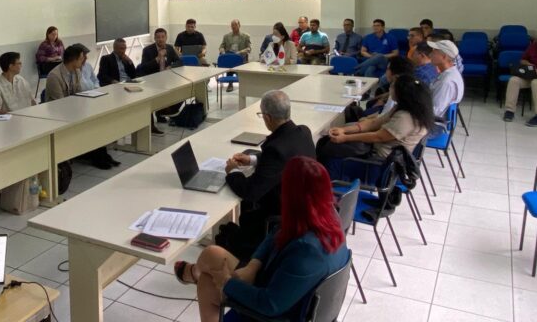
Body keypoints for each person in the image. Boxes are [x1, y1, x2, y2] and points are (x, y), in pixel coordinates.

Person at [174, 157, 349, 322]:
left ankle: (193, 274)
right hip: (283, 285)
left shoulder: (307, 252)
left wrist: (226, 283)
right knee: (211, 254)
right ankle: (193, 274)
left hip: (276, 311)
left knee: (206, 283)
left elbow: (269, 305)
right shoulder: (326, 214)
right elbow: (277, 231)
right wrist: (253, 265)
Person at [221, 90, 317, 258]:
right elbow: (285, 158)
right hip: (305, 205)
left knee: (233, 225)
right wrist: (252, 159)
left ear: (267, 118)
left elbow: (250, 191)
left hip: (281, 215)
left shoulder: (275, 149)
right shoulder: (303, 132)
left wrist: (233, 171)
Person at [316, 75, 433, 167]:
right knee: (326, 141)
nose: (390, 89)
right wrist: (343, 130)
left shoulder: (406, 118)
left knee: (329, 147)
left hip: (380, 161)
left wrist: (345, 137)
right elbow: (374, 123)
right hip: (377, 150)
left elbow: (378, 137)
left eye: (393, 87)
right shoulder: (402, 109)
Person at [428, 40, 465, 118]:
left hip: (434, 121)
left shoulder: (446, 81)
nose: (430, 55)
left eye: (434, 52)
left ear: (444, 57)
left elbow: (435, 112)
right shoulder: (450, 72)